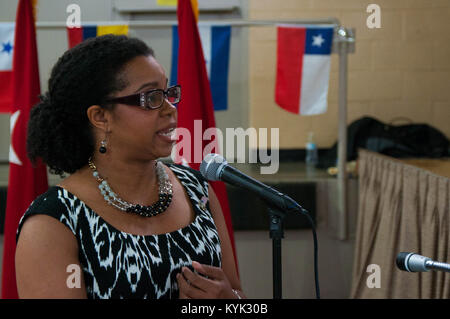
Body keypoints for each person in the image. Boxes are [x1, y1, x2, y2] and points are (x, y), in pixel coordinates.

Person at [15, 34, 244, 299]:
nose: (170, 108)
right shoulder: (54, 221)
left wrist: (230, 299)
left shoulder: (196, 189)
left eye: (169, 93)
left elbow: (237, 292)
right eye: (151, 98)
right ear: (100, 117)